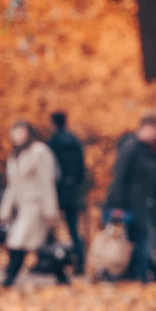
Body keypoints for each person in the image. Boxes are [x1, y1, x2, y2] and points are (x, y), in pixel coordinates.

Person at [103, 113, 156, 282]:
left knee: (141, 242)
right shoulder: (131, 148)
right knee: (138, 242)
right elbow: (120, 178)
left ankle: (138, 275)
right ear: (147, 128)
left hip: (145, 205)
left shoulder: (152, 151)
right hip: (131, 207)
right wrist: (117, 206)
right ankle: (136, 276)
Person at [0, 120, 62, 286]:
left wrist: (50, 211)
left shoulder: (39, 152)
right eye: (15, 132)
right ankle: (61, 275)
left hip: (36, 206)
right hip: (22, 207)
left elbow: (47, 182)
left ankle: (9, 277)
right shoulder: (15, 155)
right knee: (43, 245)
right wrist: (5, 211)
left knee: (19, 241)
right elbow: (12, 186)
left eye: (21, 131)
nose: (17, 136)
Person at [49, 112, 88, 272]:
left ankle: (51, 262)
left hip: (57, 190)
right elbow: (81, 168)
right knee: (73, 228)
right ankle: (80, 262)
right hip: (73, 190)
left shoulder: (52, 143)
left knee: (51, 228)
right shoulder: (75, 142)